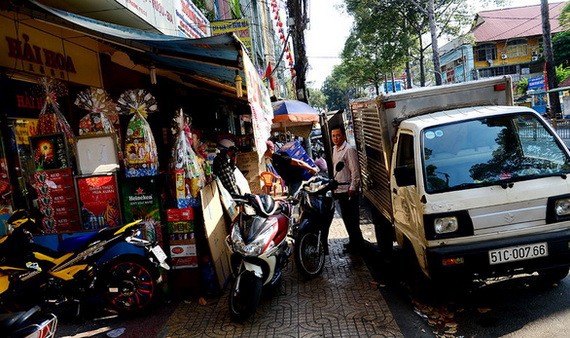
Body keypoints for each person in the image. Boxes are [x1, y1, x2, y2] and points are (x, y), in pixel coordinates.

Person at [331, 126, 364, 253]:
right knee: (346, 218)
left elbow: (355, 170)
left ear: (343, 136)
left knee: (353, 220)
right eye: (333, 136)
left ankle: (358, 246)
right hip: (339, 189)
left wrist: (353, 187)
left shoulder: (349, 150)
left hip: (348, 190)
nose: (335, 138)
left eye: (338, 135)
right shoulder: (335, 149)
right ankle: (353, 242)